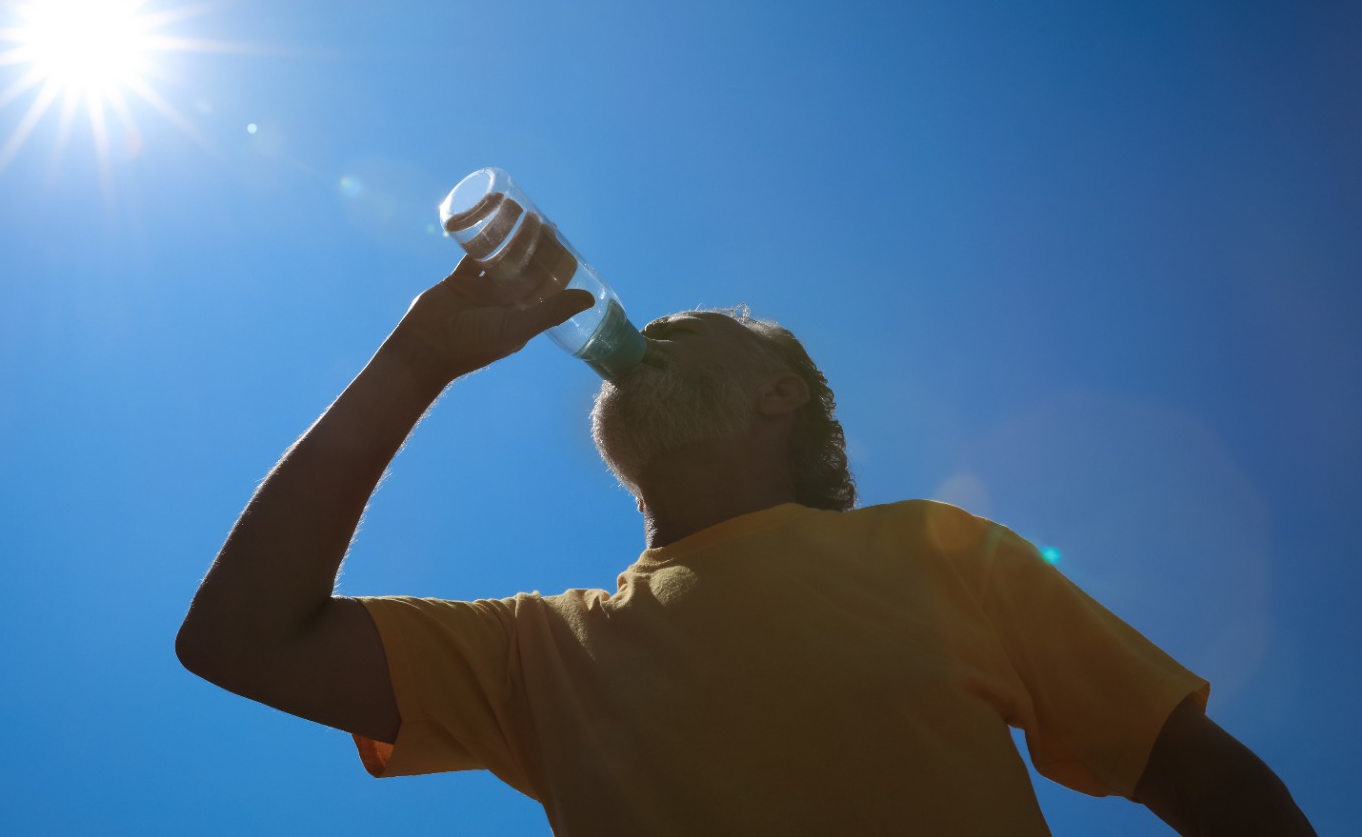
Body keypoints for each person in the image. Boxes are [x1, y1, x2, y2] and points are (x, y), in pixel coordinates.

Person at [176, 257, 1314, 835]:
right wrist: (415, 356)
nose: (643, 338)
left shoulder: (934, 551)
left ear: (780, 395)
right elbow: (238, 640)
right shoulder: (541, 650)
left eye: (683, 334)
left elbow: (1200, 773)